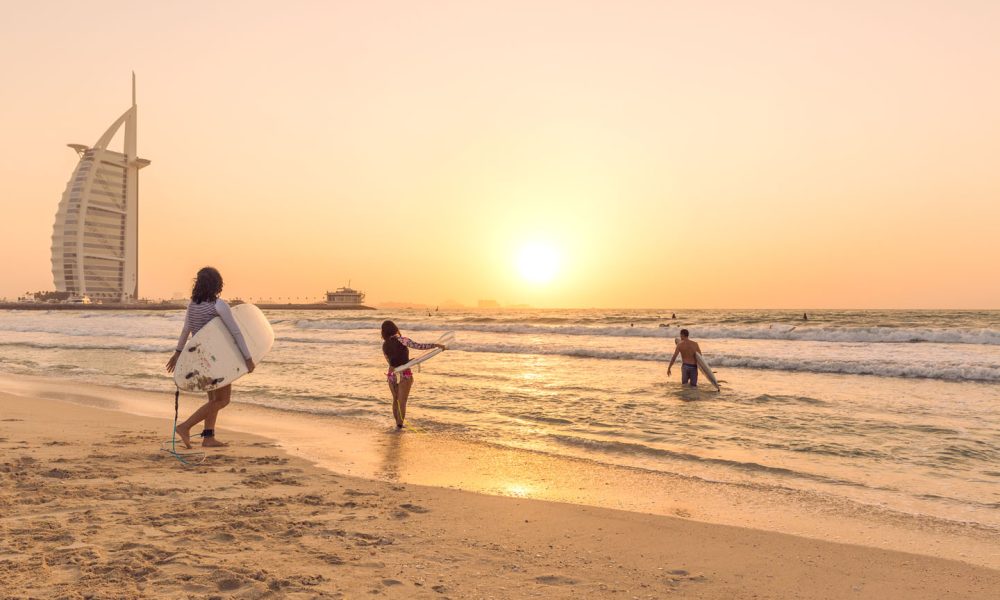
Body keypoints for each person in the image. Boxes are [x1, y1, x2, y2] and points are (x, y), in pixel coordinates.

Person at [166, 267, 254, 448]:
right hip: (218, 359)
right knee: (223, 400)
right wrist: (247, 358)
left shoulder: (192, 305)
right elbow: (235, 332)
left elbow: (186, 331)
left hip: (200, 358)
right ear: (217, 284)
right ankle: (185, 426)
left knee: (213, 400)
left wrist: (177, 353)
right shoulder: (219, 305)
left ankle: (208, 437)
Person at [381, 320, 445, 429]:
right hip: (404, 372)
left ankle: (396, 425)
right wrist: (435, 345)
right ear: (395, 328)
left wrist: (403, 361)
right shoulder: (402, 340)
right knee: (402, 401)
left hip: (392, 373)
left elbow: (390, 361)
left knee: (395, 399)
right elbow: (418, 346)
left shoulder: (384, 345)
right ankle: (399, 426)